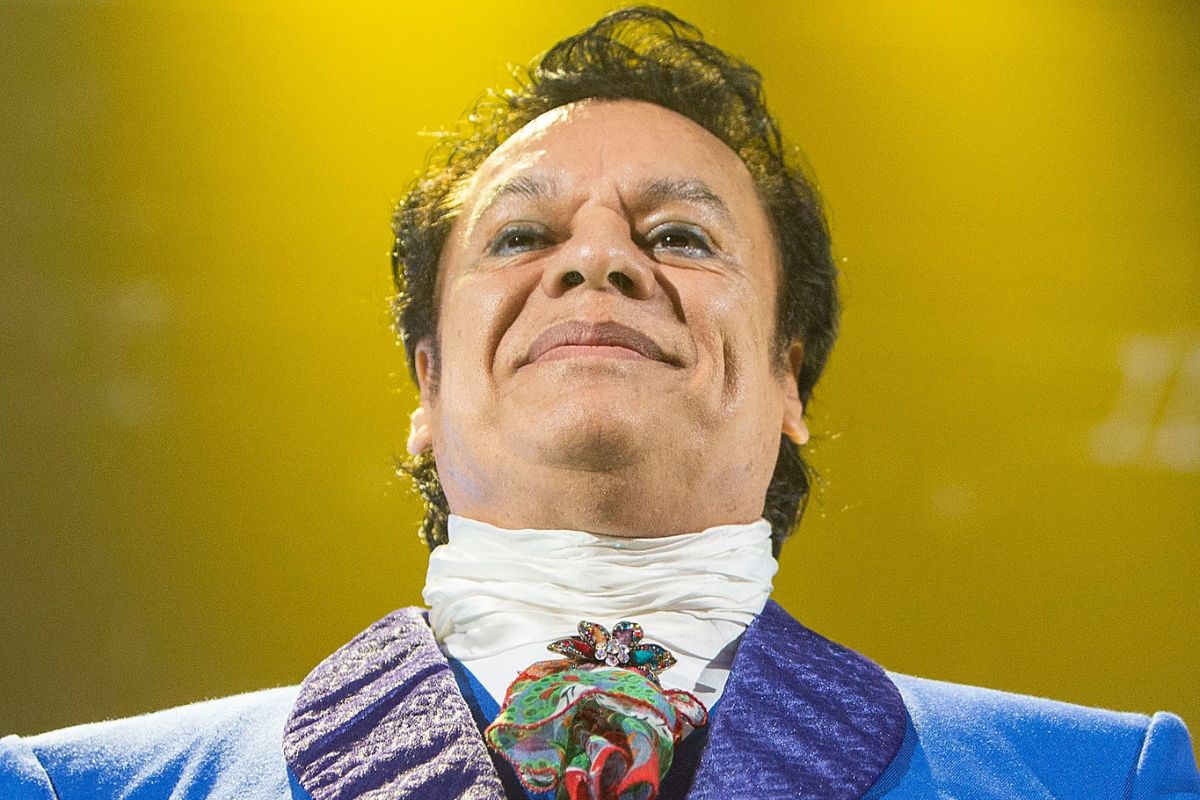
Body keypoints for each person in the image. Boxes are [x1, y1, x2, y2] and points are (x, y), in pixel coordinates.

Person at [1, 7, 1196, 799]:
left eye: (679, 235)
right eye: (523, 236)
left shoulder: (1106, 779)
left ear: (790, 377)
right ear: (426, 384)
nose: (598, 261)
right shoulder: (78, 788)